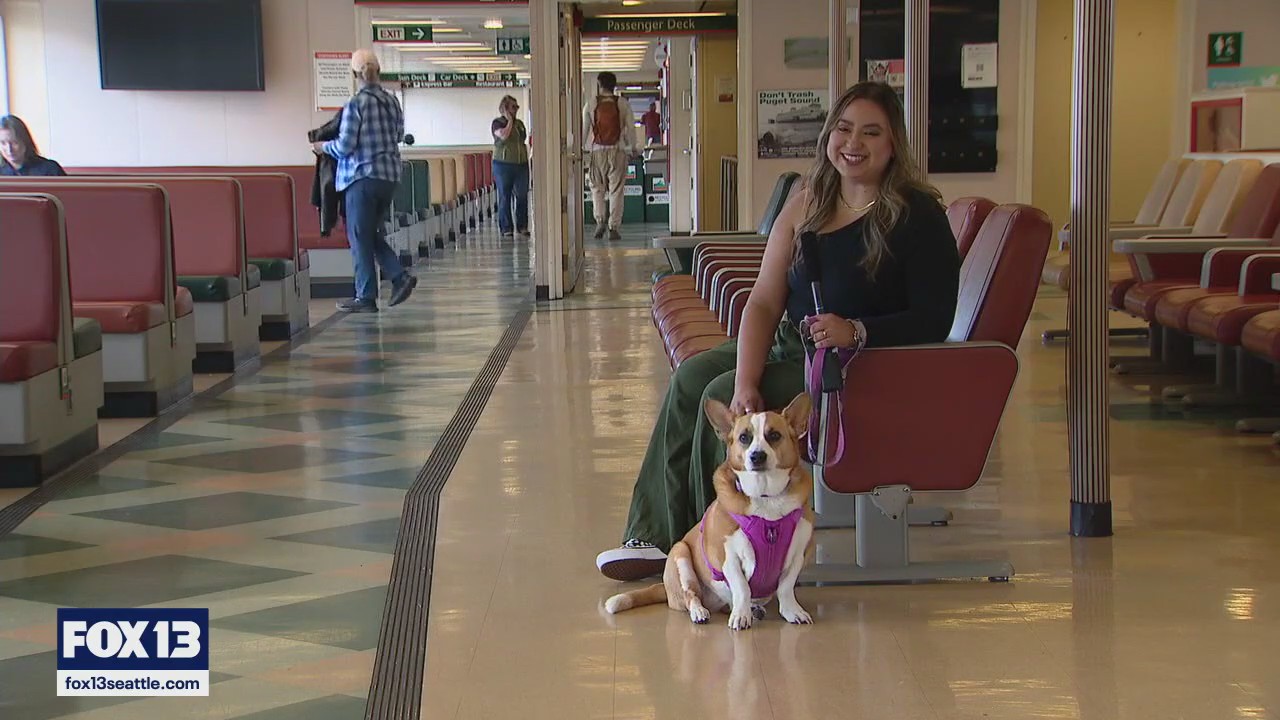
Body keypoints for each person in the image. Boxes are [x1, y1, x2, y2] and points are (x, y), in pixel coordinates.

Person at [595, 81, 962, 582]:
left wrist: (856, 330)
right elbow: (765, 301)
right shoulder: (809, 201)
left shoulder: (918, 216)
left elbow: (935, 318)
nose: (853, 143)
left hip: (858, 365)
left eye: (871, 132)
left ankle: (717, 550)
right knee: (694, 383)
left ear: (893, 142)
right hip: (797, 344)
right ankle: (658, 536)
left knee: (718, 394)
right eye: (844, 129)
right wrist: (749, 378)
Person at [312, 48, 416, 313]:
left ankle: (367, 296)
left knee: (358, 235)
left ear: (355, 75)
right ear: (378, 72)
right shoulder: (392, 102)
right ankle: (397, 277)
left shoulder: (355, 104)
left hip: (361, 178)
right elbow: (399, 134)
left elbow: (346, 146)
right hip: (389, 177)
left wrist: (323, 148)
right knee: (369, 233)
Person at [582, 71, 638, 241]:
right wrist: (632, 147)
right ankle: (614, 227)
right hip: (617, 150)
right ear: (614, 86)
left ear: (599, 85)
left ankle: (600, 221)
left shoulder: (591, 104)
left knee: (597, 189)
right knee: (616, 190)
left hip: (597, 151)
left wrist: (581, 148)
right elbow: (630, 128)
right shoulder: (622, 103)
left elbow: (584, 130)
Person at [491, 95, 530, 238]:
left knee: (522, 195)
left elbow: (523, 138)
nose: (516, 110)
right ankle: (506, 227)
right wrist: (509, 121)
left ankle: (522, 226)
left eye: (517, 107)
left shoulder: (520, 124)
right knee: (505, 196)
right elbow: (504, 136)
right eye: (513, 107)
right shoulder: (497, 123)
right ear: (505, 109)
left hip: (521, 164)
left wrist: (514, 122)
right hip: (503, 165)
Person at [0, 115, 66, 176]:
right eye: (3, 143)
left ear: (25, 141)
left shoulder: (50, 169)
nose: (9, 149)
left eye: (14, 142)